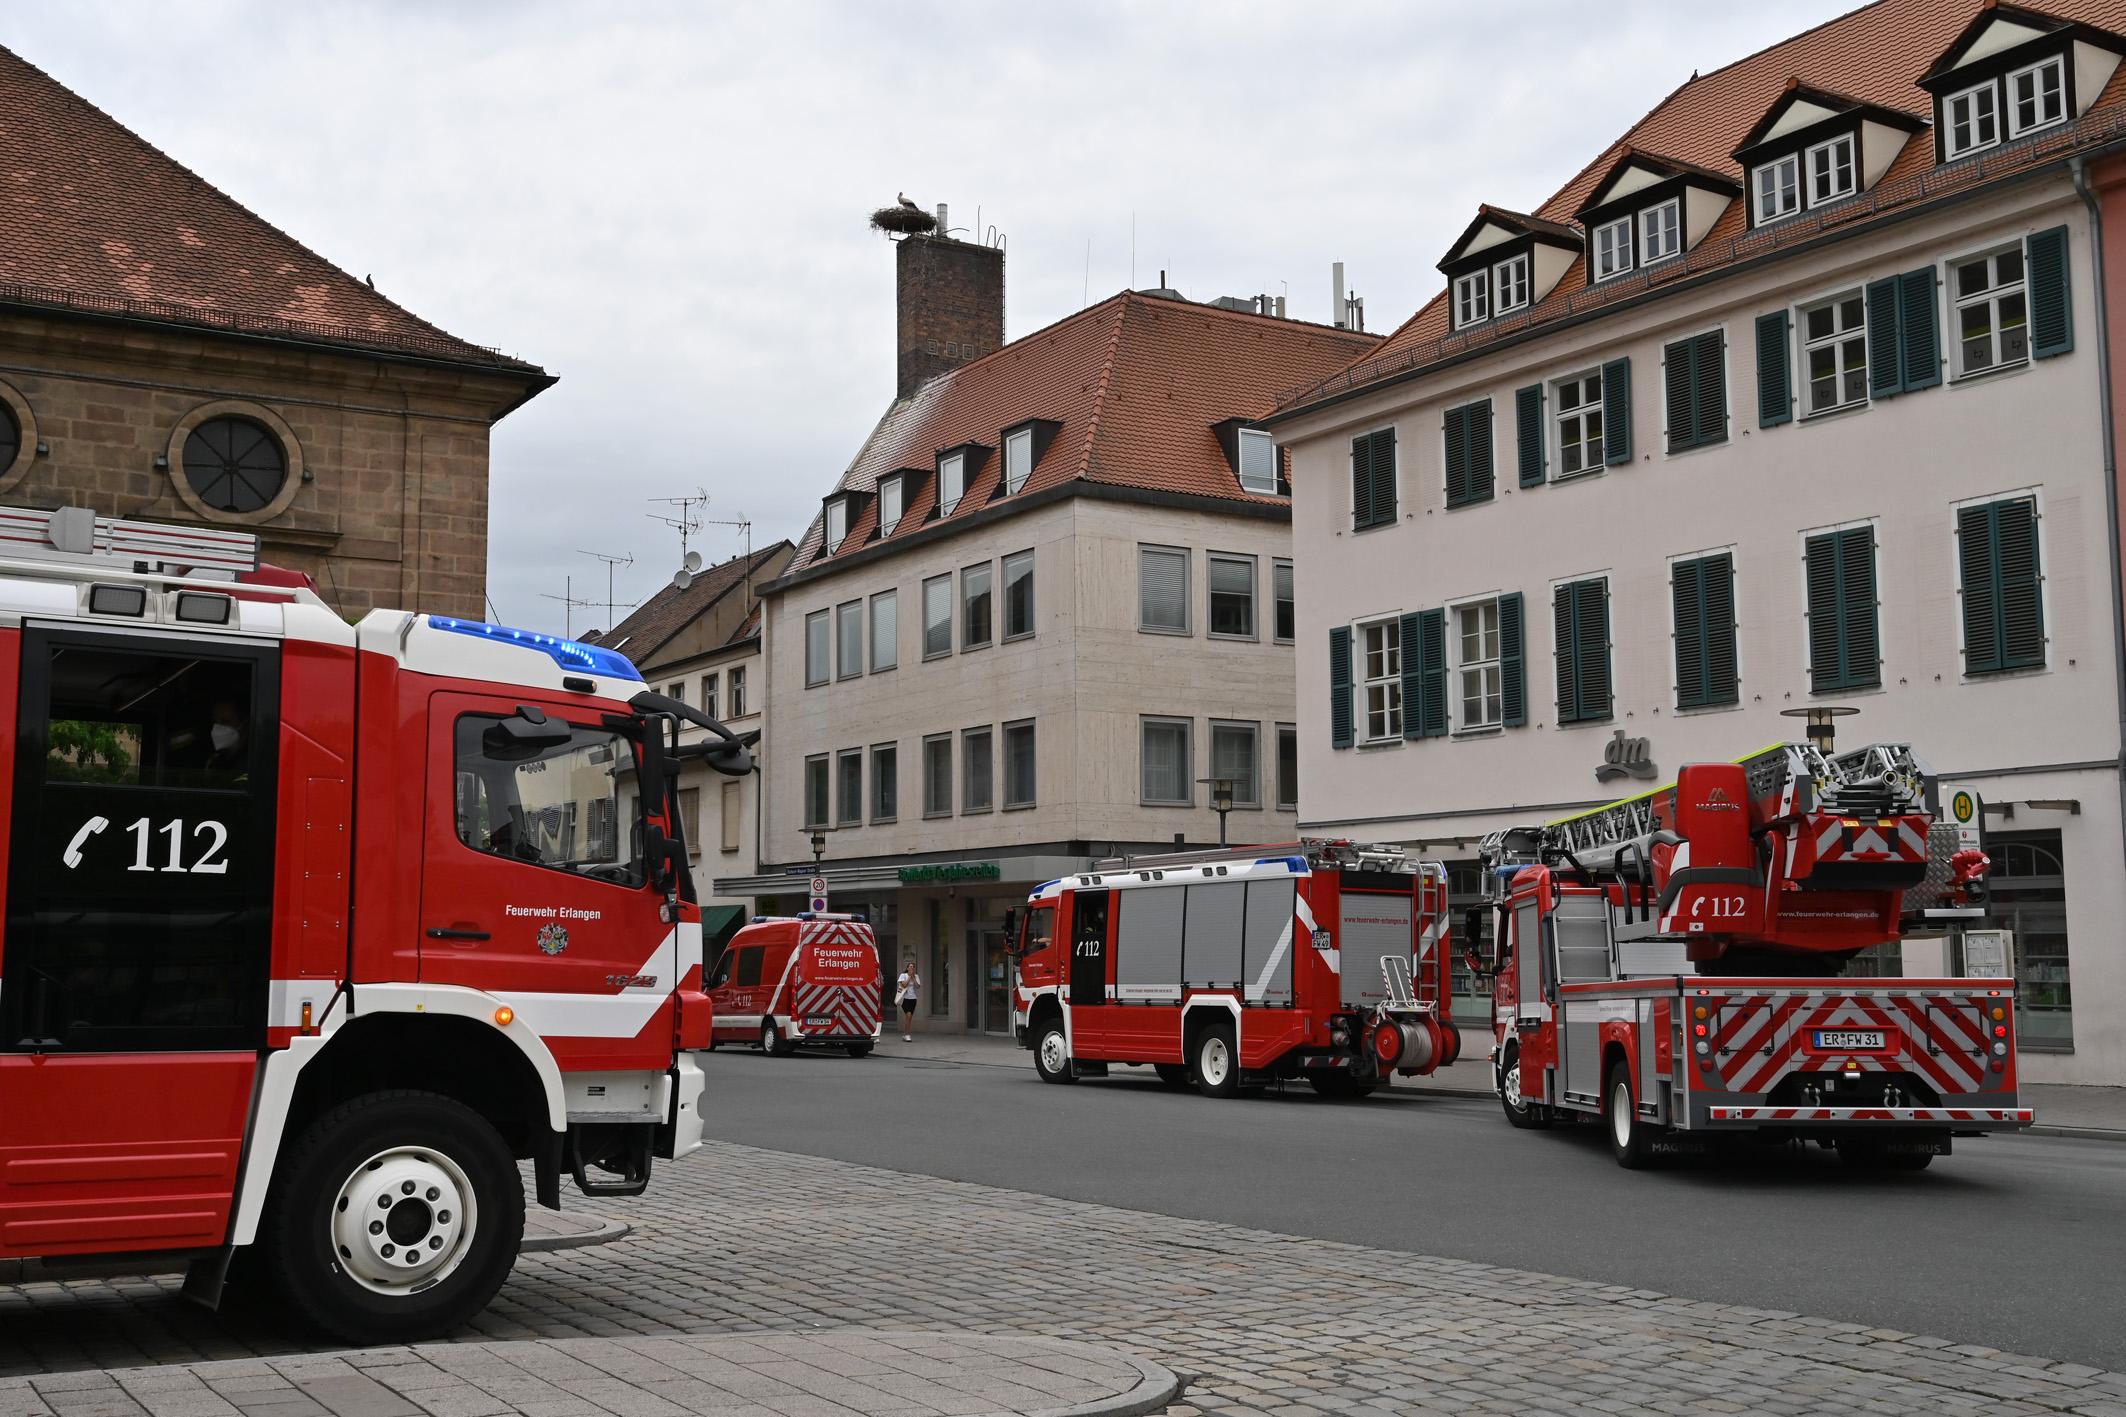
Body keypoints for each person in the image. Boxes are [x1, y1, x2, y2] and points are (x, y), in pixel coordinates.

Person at [895, 958, 920, 1042]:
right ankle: (907, 1035)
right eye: (910, 967)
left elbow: (917, 986)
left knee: (909, 1018)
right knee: (908, 1015)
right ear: (907, 968)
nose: (912, 968)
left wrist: (913, 978)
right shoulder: (903, 975)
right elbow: (904, 985)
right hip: (905, 999)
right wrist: (909, 977)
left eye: (913, 967)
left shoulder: (916, 976)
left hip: (913, 999)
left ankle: (906, 1034)